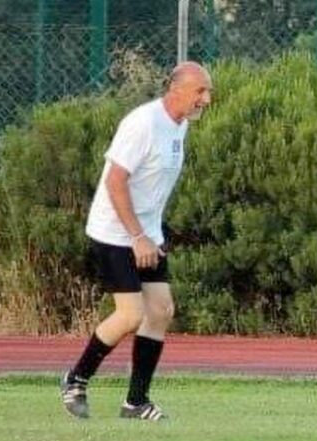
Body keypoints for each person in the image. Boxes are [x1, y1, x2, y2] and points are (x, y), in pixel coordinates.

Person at [60, 61, 213, 420]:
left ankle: (135, 402)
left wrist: (150, 234)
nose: (205, 100)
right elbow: (115, 182)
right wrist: (137, 236)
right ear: (176, 89)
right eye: (199, 92)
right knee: (131, 315)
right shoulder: (142, 123)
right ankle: (75, 378)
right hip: (115, 233)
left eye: (208, 93)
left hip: (146, 234)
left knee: (161, 311)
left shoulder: (180, 126)